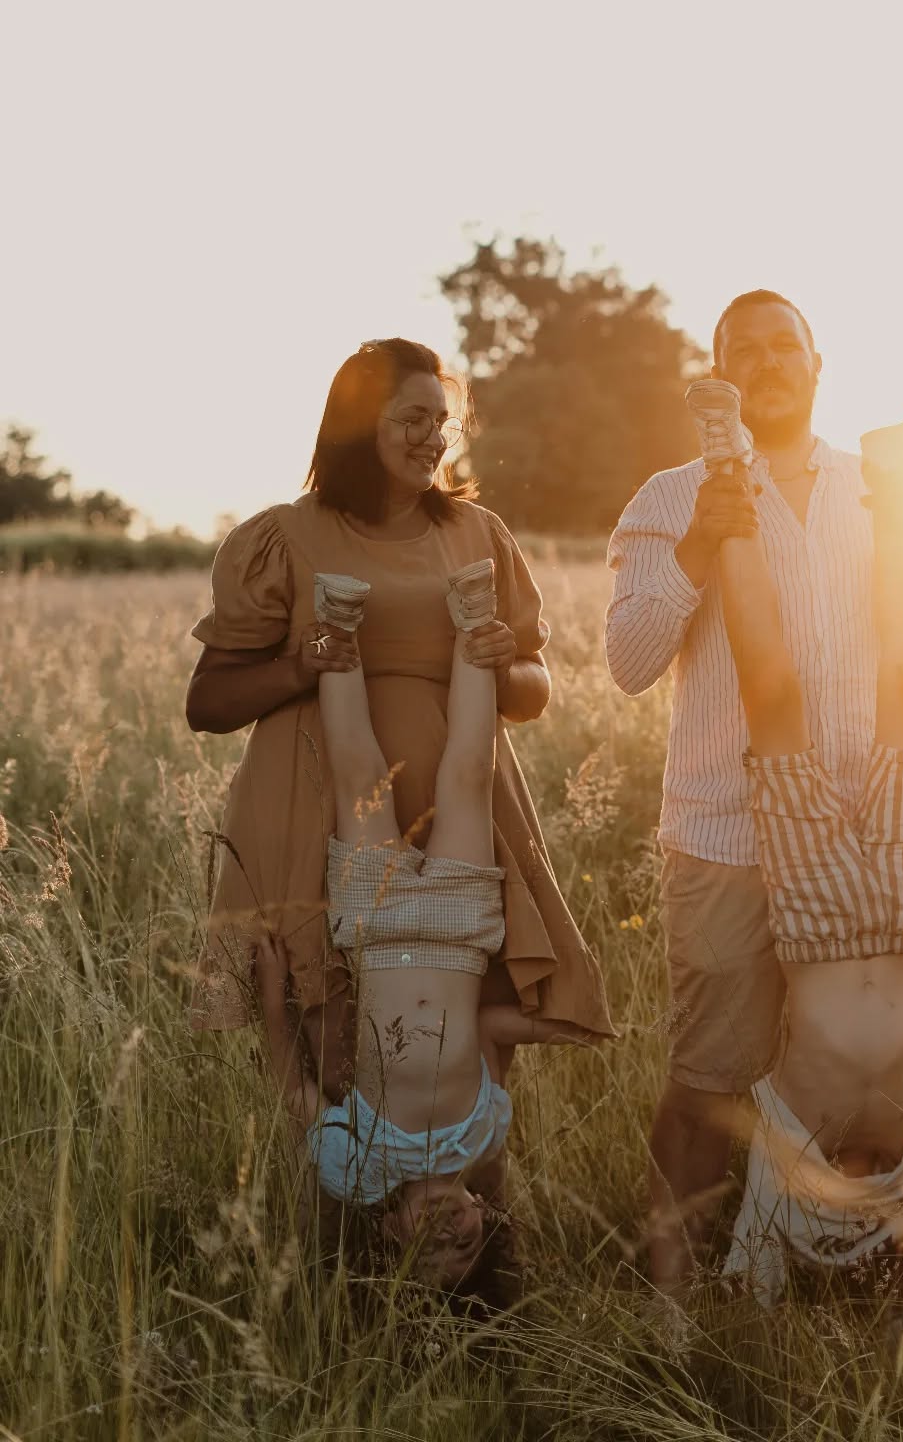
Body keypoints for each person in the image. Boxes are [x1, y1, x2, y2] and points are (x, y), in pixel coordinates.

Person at [186, 339, 613, 1262]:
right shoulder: (285, 537)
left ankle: (485, 1279)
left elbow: (535, 691)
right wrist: (302, 664)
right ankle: (345, 1273)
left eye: (441, 421)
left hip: (463, 802)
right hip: (319, 807)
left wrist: (508, 662)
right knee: (332, 1040)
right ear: (358, 426)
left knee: (463, 1022)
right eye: (410, 419)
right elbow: (207, 702)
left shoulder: (477, 535)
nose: (431, 438)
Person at [604, 291, 903, 1304]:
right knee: (710, 1080)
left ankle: (887, 1279)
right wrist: (691, 554)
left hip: (878, 827)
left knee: (890, 1074)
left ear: (818, 364)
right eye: (744, 350)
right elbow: (629, 661)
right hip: (729, 830)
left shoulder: (878, 490)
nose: (769, 362)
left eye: (785, 346)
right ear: (717, 371)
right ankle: (675, 1304)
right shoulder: (671, 495)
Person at [691, 386, 903, 1342]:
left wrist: (769, 1325)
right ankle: (892, 483)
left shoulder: (787, 1182)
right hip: (900, 912)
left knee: (770, 692)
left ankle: (728, 473)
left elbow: (753, 1301)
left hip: (812, 921)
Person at [253, 559, 588, 1287]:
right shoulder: (482, 1137)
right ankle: (473, 616)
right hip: (463, 932)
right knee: (468, 773)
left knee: (356, 773)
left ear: (390, 1230)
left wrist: (274, 992)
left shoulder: (358, 1168)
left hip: (373, 933)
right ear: (482, 1215)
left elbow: (293, 1089)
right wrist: (553, 1027)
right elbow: (489, 1035)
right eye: (463, 1246)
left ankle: (338, 624)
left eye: (425, 1250)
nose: (445, 1235)